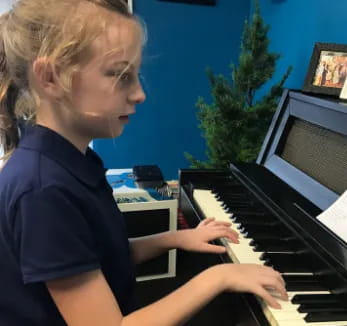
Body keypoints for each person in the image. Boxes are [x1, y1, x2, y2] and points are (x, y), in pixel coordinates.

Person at [0, 0, 287, 325]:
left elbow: (105, 256)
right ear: (50, 78)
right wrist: (219, 278)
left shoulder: (74, 161)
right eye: (121, 75)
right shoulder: (43, 190)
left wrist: (177, 238)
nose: (139, 94)